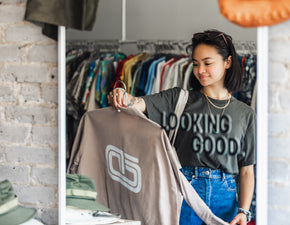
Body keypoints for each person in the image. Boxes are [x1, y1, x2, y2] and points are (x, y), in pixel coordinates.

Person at [108, 29, 256, 225]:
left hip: (226, 198)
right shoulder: (178, 99)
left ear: (227, 62)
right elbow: (136, 102)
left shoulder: (245, 114)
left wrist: (244, 211)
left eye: (207, 63)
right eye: (195, 64)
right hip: (184, 190)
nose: (200, 70)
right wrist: (120, 94)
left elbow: (246, 170)